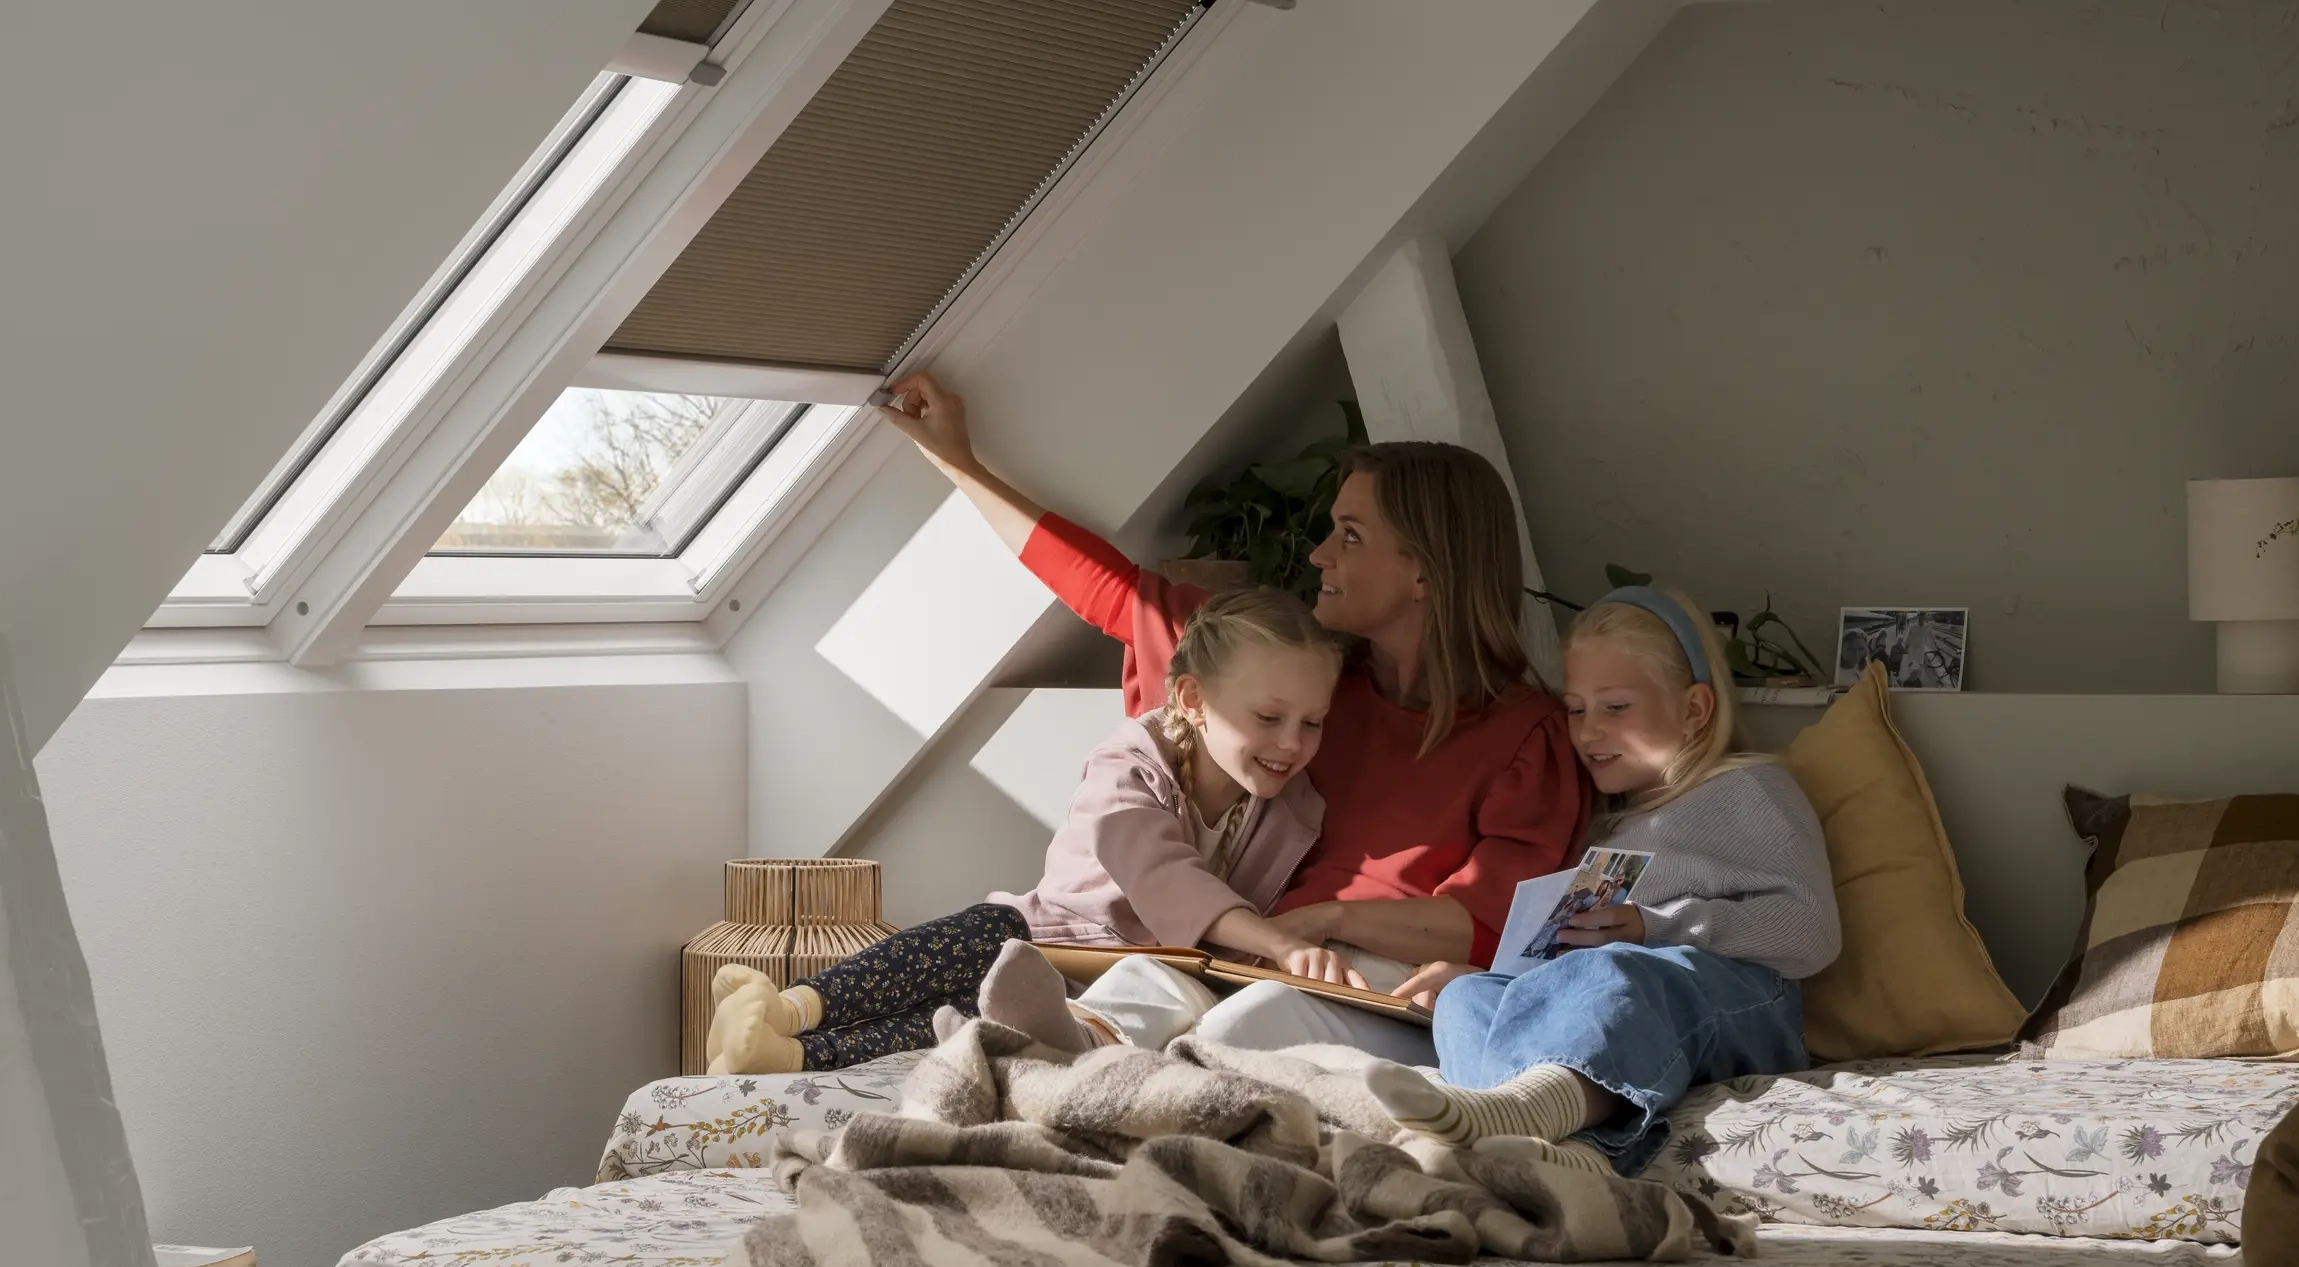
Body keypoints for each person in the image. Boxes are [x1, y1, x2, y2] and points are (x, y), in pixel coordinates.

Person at [870, 374, 1591, 1064]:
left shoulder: (1528, 737)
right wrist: (955, 459)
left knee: (1246, 1024)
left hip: (1386, 989)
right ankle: (1052, 1062)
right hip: (1255, 954)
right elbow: (1116, 593)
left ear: (1424, 572)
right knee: (1140, 985)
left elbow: (1490, 919)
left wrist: (1325, 921)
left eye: (1349, 535)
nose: (1318, 555)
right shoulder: (1306, 687)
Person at [701, 588, 1351, 1074]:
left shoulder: (1294, 810)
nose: (1292, 744)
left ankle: (787, 1056)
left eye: (1314, 723)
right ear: (1191, 699)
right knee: (988, 933)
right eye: (1269, 716)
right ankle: (789, 1007)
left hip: (1102, 990)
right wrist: (1277, 941)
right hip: (1048, 939)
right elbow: (1161, 876)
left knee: (973, 1029)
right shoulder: (1129, 761)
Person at [1361, 588, 1838, 1178]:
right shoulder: (1605, 824)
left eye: (1615, 708)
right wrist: (1499, 978)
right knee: (1465, 999)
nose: (1587, 732)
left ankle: (1525, 1110)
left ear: (1694, 709)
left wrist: (1653, 926)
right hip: (1614, 997)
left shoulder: (1750, 789)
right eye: (1576, 709)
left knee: (1612, 968)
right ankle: (1557, 1153)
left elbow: (1811, 934)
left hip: (1737, 1008)